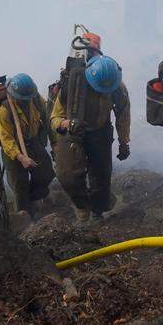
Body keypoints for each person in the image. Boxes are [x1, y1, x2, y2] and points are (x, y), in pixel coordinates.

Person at [51, 54, 130, 225]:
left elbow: (123, 114)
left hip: (100, 131)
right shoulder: (72, 86)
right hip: (71, 130)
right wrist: (67, 123)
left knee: (101, 175)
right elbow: (54, 118)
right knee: (67, 175)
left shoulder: (117, 87)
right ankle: (82, 206)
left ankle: (98, 211)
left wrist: (124, 142)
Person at [0, 73, 55, 220]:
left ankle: (33, 199)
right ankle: (25, 220)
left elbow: (46, 118)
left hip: (32, 142)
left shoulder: (34, 98)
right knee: (19, 185)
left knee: (46, 172)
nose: (26, 101)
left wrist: (54, 143)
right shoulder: (4, 111)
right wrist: (21, 158)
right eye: (23, 99)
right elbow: (6, 139)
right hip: (12, 149)